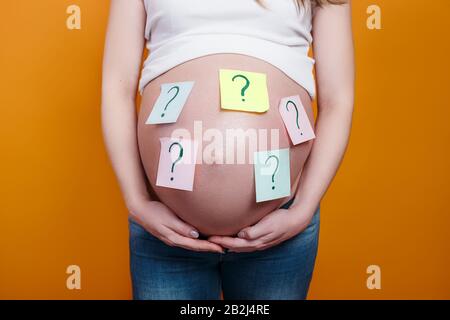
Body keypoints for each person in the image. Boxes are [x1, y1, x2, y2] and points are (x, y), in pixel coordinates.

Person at [101, 0, 354, 300]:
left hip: (280, 226)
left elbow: (337, 99)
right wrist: (137, 201)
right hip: (165, 228)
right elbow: (117, 89)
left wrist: (302, 209)